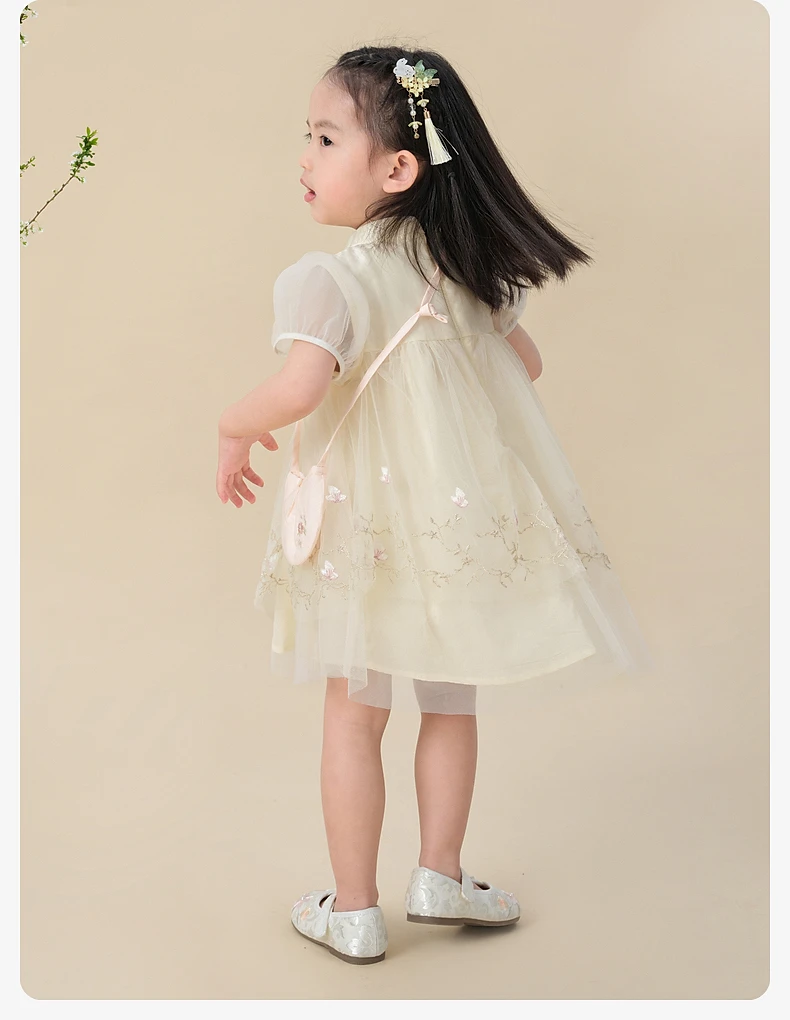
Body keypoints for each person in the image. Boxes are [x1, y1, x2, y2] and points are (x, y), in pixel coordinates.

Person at [215, 45, 654, 965]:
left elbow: (299, 389)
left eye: (325, 138)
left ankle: (354, 909)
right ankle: (441, 874)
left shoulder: (333, 281)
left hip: (367, 538)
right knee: (451, 701)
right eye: (309, 137)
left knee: (354, 714)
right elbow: (525, 366)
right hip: (451, 529)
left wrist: (232, 426)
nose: (304, 156)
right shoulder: (464, 270)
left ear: (397, 170)